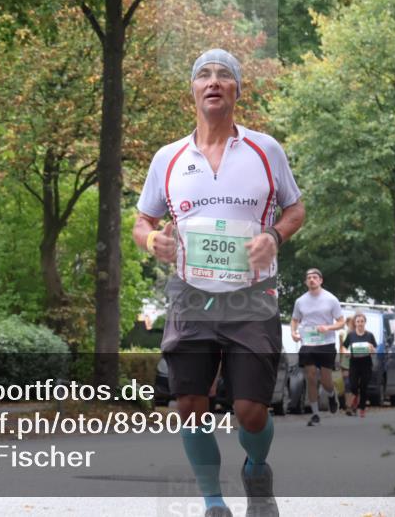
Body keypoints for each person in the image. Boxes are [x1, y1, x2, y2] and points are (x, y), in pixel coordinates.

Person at [134, 48, 305, 517]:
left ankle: (256, 469)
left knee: (250, 409)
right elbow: (142, 221)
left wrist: (273, 235)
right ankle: (213, 500)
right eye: (203, 75)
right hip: (191, 295)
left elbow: (296, 208)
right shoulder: (168, 157)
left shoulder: (265, 150)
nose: (213, 82)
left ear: (236, 91)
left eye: (223, 76)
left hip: (253, 296)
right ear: (192, 90)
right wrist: (154, 244)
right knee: (189, 404)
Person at [290, 268, 344, 426]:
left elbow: (341, 321)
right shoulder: (300, 301)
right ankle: (315, 414)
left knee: (326, 380)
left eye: (315, 277)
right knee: (311, 376)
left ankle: (332, 395)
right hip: (308, 343)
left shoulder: (331, 299)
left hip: (326, 343)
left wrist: (328, 328)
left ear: (321, 280)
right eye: (308, 278)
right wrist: (293, 332)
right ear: (306, 282)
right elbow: (294, 320)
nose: (311, 280)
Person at [341, 312, 377, 417]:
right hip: (354, 364)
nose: (360, 323)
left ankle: (362, 408)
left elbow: (374, 349)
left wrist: (372, 349)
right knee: (353, 385)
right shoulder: (351, 335)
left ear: (365, 322)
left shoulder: (369, 335)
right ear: (355, 323)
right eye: (358, 321)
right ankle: (354, 401)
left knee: (363, 387)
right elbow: (344, 347)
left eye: (362, 321)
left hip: (366, 364)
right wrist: (346, 352)